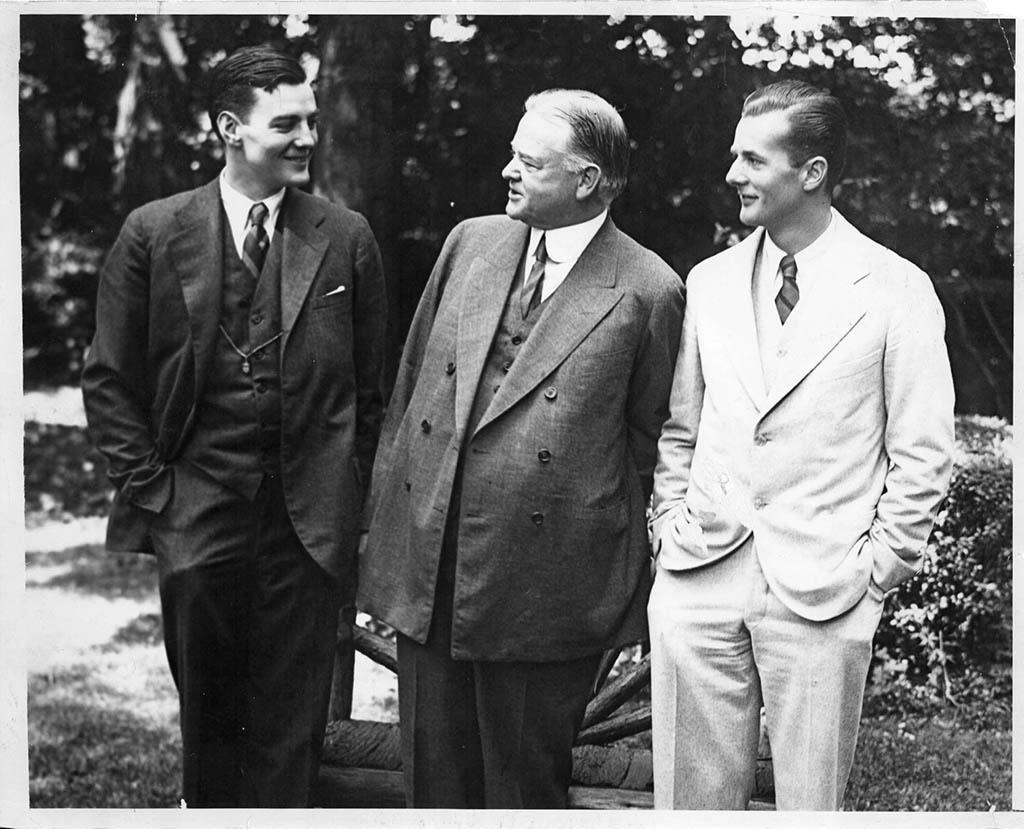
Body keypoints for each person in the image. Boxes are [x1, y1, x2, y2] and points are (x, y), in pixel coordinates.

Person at [357, 88, 684, 808]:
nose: (507, 169)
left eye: (528, 161)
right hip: (434, 563)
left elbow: (649, 440)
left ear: (587, 180)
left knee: (522, 787)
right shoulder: (469, 242)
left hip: (548, 583)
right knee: (432, 779)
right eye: (512, 152)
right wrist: (387, 533)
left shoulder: (649, 288)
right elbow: (411, 386)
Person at [81, 45, 387, 808]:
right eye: (287, 123)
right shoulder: (154, 233)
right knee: (211, 724)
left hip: (308, 525)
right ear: (229, 128)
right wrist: (158, 494)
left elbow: (374, 391)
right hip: (197, 515)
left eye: (312, 121)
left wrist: (352, 497)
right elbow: (109, 380)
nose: (308, 138)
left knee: (292, 726)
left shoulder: (345, 237)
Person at [647, 79, 955, 810]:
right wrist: (668, 530)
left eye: (753, 160)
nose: (732, 175)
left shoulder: (895, 289)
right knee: (688, 808)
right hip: (700, 576)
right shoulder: (711, 282)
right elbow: (683, 427)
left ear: (811, 172)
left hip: (825, 592)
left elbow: (923, 453)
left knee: (810, 808)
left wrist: (878, 572)